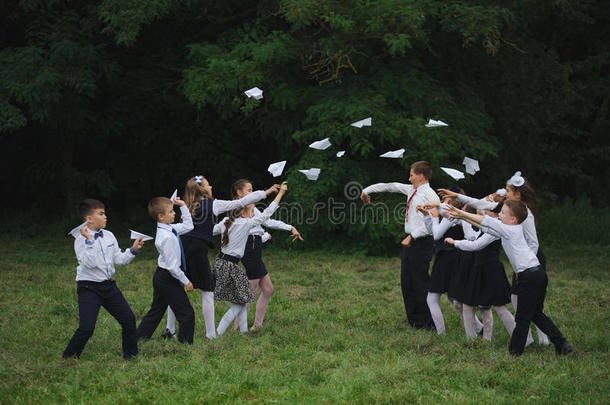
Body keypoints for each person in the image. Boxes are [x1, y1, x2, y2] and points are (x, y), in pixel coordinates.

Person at [445, 200, 572, 356]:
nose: (499, 214)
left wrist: (462, 213)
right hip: (535, 274)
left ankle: (514, 353)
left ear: (513, 219)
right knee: (536, 314)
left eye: (503, 213)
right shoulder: (506, 229)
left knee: (523, 317)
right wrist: (462, 219)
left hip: (531, 276)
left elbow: (486, 221)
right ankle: (561, 343)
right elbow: (484, 226)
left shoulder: (511, 230)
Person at [164, 176, 278, 340]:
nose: (211, 186)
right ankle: (211, 335)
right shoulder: (213, 204)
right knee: (207, 291)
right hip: (198, 249)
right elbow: (240, 203)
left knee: (177, 288)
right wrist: (266, 192)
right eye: (208, 184)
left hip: (181, 246)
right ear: (202, 189)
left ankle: (170, 329)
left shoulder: (187, 206)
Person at [361, 161, 440, 330]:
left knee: (420, 283)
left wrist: (413, 236)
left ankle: (428, 323)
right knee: (407, 282)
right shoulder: (412, 190)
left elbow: (433, 221)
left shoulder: (431, 195)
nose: (409, 178)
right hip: (410, 242)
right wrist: (365, 191)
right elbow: (390, 186)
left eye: (411, 175)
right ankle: (414, 321)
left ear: (420, 176)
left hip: (421, 242)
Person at [63, 199, 143, 360]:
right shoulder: (80, 239)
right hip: (88, 287)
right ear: (89, 219)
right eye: (101, 214)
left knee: (128, 319)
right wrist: (90, 241)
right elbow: (89, 263)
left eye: (105, 213)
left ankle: (131, 355)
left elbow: (119, 259)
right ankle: (69, 356)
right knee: (87, 328)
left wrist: (133, 250)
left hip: (108, 286)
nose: (105, 217)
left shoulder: (109, 236)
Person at [212, 182, 288, 335]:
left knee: (242, 299)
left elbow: (209, 231)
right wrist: (279, 195)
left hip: (221, 263)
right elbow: (267, 214)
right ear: (243, 213)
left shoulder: (226, 222)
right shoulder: (246, 224)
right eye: (252, 210)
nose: (254, 213)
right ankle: (218, 335)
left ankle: (242, 332)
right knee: (240, 303)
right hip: (230, 267)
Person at [231, 178, 303, 331]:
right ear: (239, 193)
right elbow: (265, 216)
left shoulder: (252, 207)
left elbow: (267, 221)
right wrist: (280, 194)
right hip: (249, 249)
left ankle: (256, 325)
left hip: (255, 248)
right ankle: (237, 328)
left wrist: (290, 227)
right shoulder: (239, 208)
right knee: (252, 291)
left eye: (252, 190)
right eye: (249, 190)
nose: (252, 193)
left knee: (268, 289)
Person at [136, 195, 195, 344]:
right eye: (171, 211)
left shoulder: (171, 228)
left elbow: (189, 226)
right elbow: (172, 266)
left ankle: (137, 339)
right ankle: (186, 345)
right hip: (167, 277)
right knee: (187, 313)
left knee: (156, 311)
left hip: (163, 276)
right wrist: (186, 281)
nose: (174, 213)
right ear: (161, 216)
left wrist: (182, 206)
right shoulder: (167, 237)